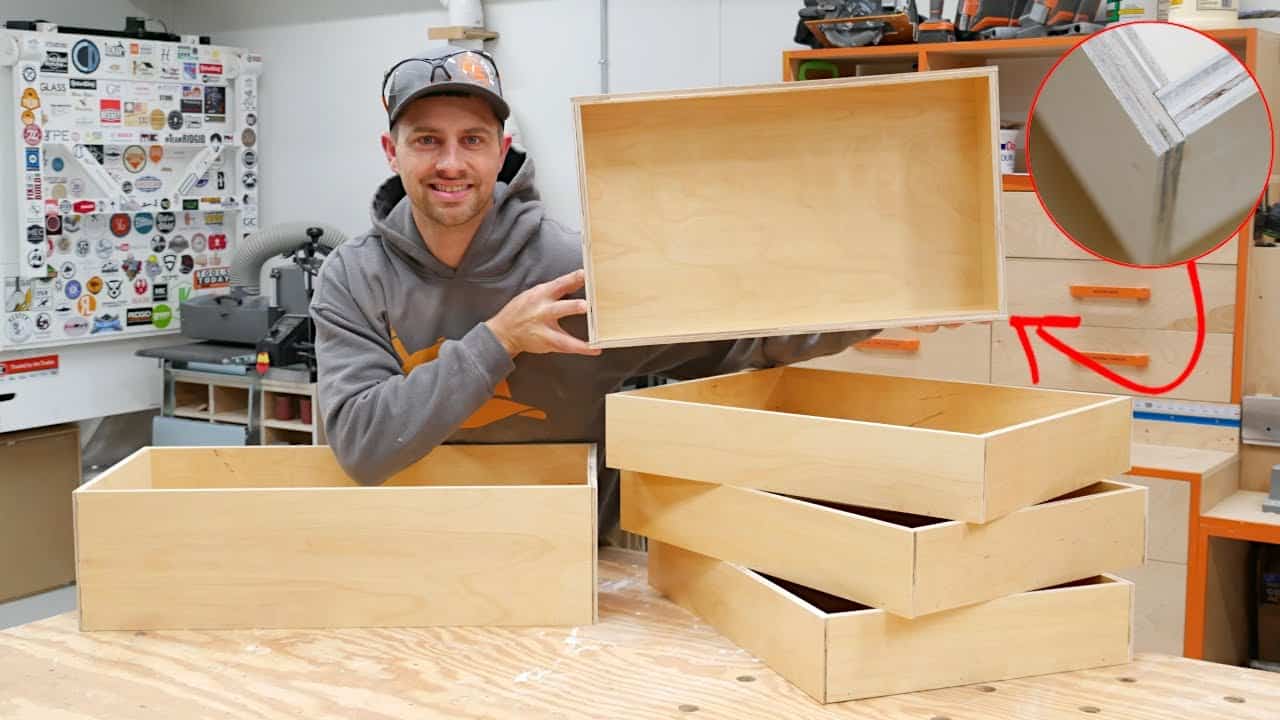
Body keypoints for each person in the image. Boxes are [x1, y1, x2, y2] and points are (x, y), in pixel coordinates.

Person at [311, 46, 946, 541]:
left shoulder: (577, 269)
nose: (451, 162)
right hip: (410, 545)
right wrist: (499, 339)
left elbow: (745, 335)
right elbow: (363, 447)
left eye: (472, 139)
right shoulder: (353, 277)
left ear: (502, 151)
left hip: (573, 552)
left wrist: (886, 302)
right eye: (427, 140)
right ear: (392, 151)